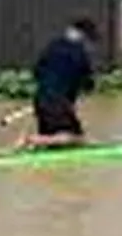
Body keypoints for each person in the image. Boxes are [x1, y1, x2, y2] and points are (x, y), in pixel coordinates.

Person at [18, 17, 99, 150]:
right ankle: (32, 139)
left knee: (56, 144)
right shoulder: (79, 53)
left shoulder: (52, 46)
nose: (89, 45)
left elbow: (37, 72)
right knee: (76, 138)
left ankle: (39, 146)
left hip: (41, 99)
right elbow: (89, 84)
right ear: (83, 36)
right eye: (89, 40)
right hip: (57, 102)